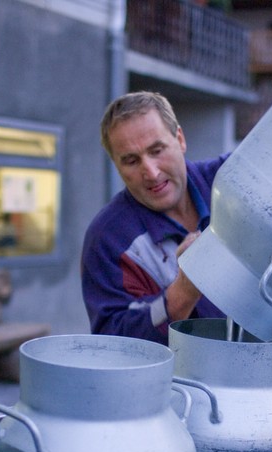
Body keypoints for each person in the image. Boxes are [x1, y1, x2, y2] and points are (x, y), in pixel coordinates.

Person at [81, 91, 227, 345]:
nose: (150, 171)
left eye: (157, 150)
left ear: (179, 139)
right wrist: (183, 290)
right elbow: (112, 347)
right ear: (116, 165)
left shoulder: (232, 181)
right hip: (176, 383)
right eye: (130, 161)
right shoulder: (107, 240)